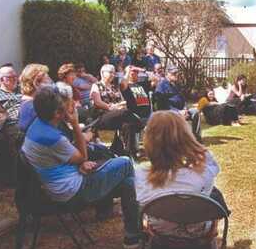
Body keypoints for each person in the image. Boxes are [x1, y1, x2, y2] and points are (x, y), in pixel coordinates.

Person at [21, 87, 140, 248]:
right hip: (73, 192)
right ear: (57, 113)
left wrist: (80, 164)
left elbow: (68, 157)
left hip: (59, 182)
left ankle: (132, 233)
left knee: (127, 181)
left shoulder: (38, 125)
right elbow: (81, 155)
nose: (72, 107)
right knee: (125, 163)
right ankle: (132, 232)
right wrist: (76, 124)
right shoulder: (52, 137)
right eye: (67, 105)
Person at [136, 111, 227, 239]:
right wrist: (192, 145)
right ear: (186, 138)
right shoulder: (203, 173)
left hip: (159, 231)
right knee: (213, 192)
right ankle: (213, 228)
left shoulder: (139, 174)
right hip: (198, 231)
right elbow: (209, 160)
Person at [90, 64, 143, 156]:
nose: (112, 75)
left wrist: (122, 105)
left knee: (128, 125)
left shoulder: (115, 87)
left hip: (118, 116)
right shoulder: (96, 85)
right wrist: (112, 107)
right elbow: (97, 102)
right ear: (102, 73)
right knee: (125, 112)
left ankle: (130, 153)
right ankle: (141, 125)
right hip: (103, 116)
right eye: (110, 72)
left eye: (114, 73)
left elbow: (122, 101)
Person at [154, 65, 202, 142]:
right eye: (174, 73)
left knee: (195, 112)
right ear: (167, 74)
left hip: (181, 110)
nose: (176, 75)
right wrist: (178, 111)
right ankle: (182, 140)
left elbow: (183, 99)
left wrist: (185, 108)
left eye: (177, 73)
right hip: (169, 112)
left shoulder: (177, 84)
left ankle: (196, 139)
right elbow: (162, 105)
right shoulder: (161, 86)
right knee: (181, 116)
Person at [18, 63, 53, 132]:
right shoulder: (33, 107)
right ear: (36, 83)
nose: (51, 82)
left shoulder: (30, 102)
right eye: (48, 78)